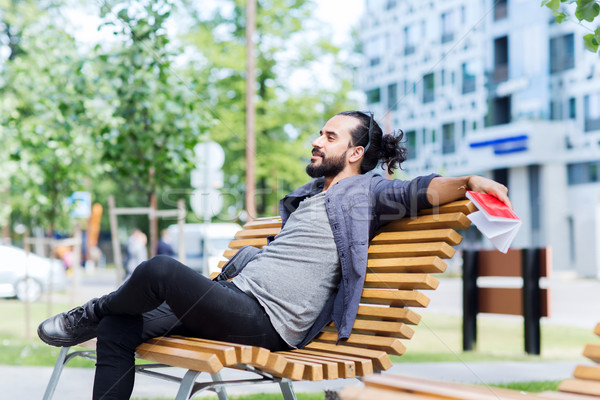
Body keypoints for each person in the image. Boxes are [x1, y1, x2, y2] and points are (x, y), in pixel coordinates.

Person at [38, 110, 511, 399]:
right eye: (319, 133)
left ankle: (88, 313)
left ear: (354, 153)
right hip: (234, 299)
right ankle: (101, 317)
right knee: (120, 327)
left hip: (269, 322)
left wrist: (469, 182)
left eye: (330, 136)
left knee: (159, 269)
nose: (316, 140)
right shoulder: (308, 197)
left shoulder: (370, 193)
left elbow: (419, 190)